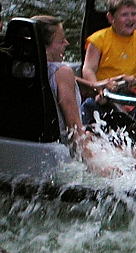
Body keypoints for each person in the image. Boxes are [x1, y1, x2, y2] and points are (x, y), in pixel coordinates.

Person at [32, 15, 122, 176]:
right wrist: (99, 167)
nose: (66, 44)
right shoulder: (62, 72)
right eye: (61, 41)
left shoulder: (19, 67)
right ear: (44, 48)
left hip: (34, 144)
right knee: (131, 154)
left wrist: (92, 85)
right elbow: (74, 129)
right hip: (64, 151)